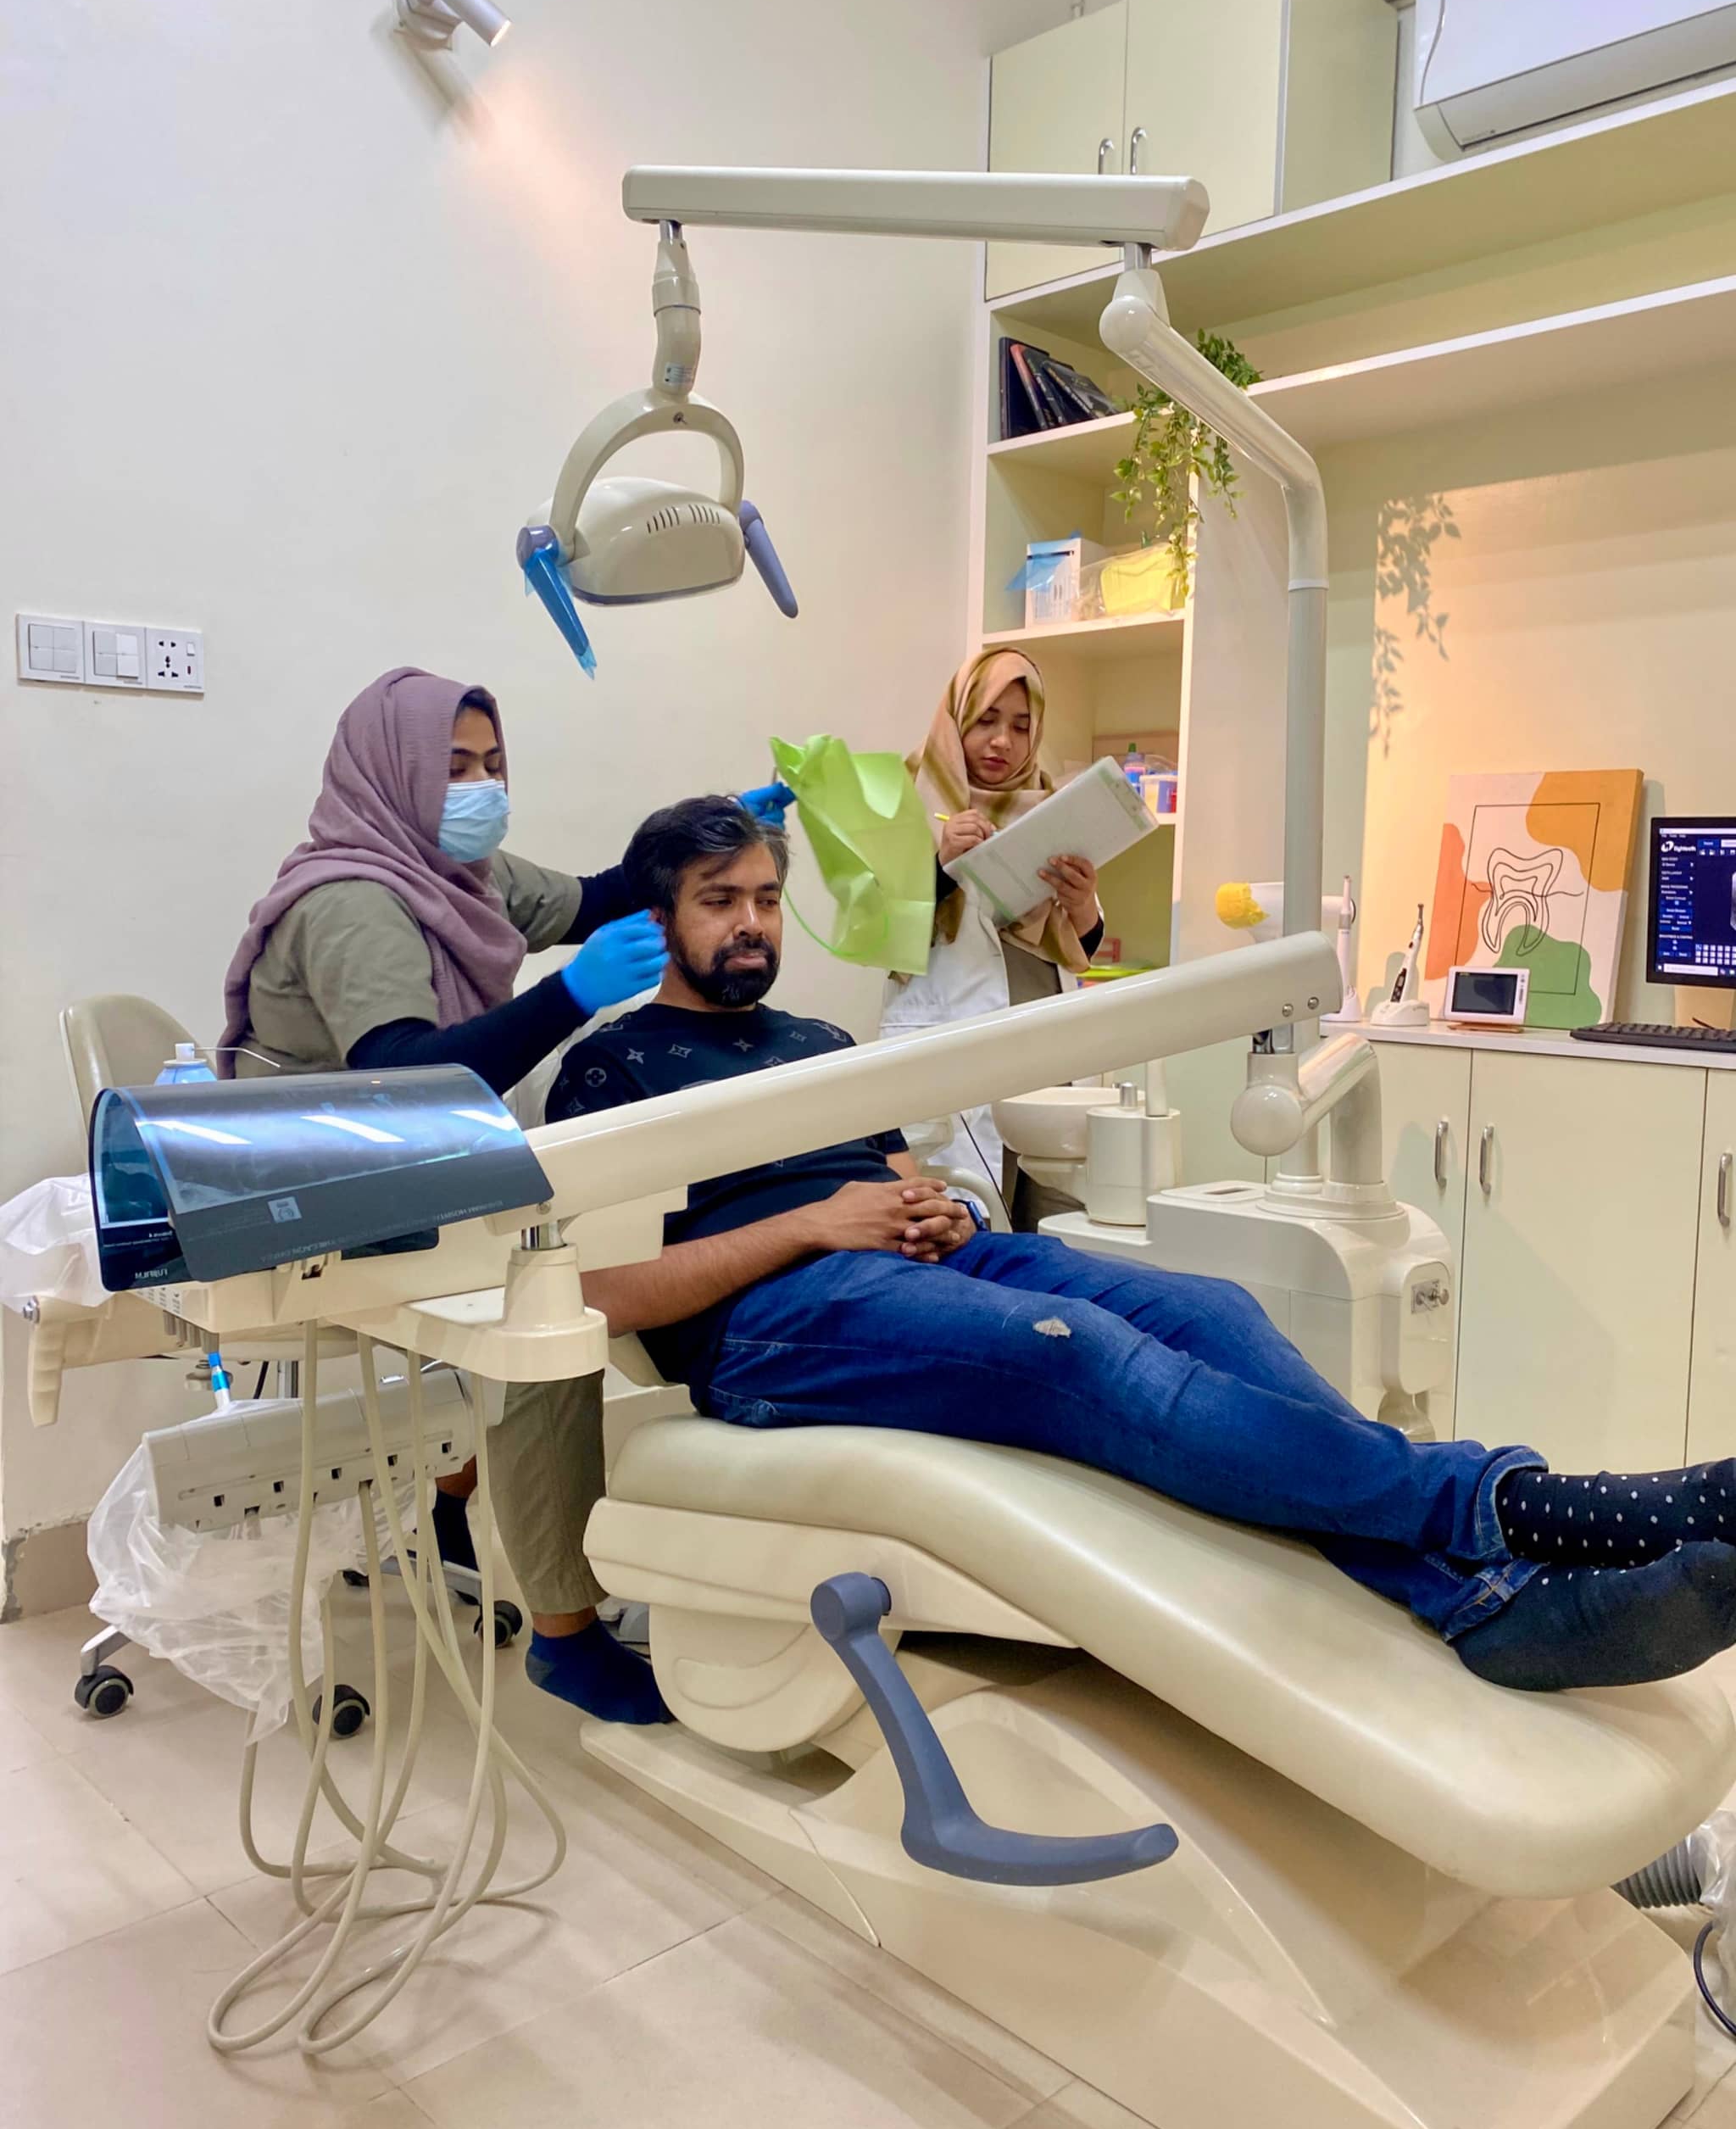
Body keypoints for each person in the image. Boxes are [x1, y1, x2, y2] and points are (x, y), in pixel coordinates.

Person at [545, 793, 1736, 1696]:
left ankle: (1485, 1602)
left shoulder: (813, 1037)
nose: (751, 923)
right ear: (659, 920)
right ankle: (1507, 1506)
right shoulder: (616, 1064)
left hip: (914, 1257)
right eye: (720, 901)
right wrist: (813, 1222)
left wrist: (934, 1205)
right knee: (1076, 1356)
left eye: (762, 897)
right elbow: (605, 1289)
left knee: (1214, 1313)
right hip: (767, 1325)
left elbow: (890, 1175)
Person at [219, 666, 789, 1725]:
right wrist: (568, 995)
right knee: (549, 1310)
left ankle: (454, 1513)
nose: (480, 787)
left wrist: (719, 832)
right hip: (321, 1193)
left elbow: (597, 892)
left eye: (492, 764)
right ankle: (566, 1637)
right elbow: (406, 1085)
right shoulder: (355, 900)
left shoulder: (460, 872)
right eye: (452, 768)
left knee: (550, 1262)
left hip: (408, 1166)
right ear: (391, 774)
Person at [882, 647, 1105, 1227]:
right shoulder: (908, 796)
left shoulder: (1052, 801)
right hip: (953, 1026)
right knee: (968, 1204)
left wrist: (1082, 903)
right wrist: (940, 863)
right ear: (958, 719)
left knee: (1053, 1209)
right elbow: (877, 929)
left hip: (1043, 1029)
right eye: (987, 719)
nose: (1002, 741)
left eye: (1021, 725)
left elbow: (1084, 937)